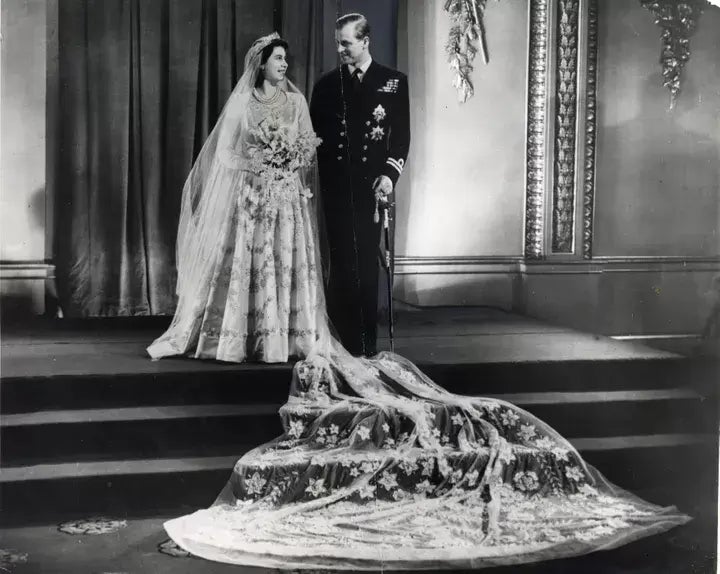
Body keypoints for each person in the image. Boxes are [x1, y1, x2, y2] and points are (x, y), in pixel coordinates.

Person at [161, 32, 690, 571]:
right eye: (280, 58)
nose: (293, 62)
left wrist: (378, 175)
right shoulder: (317, 89)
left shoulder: (370, 85)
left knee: (361, 272)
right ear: (263, 64)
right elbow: (247, 149)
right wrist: (271, 165)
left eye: (345, 44)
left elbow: (390, 138)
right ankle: (288, 333)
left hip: (339, 190)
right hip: (287, 196)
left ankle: (354, 341)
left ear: (363, 41)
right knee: (337, 272)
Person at [147, 35, 324, 364]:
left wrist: (288, 163)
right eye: (278, 59)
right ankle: (242, 339)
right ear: (261, 63)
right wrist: (254, 164)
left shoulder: (296, 103)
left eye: (286, 59)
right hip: (251, 198)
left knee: (282, 264)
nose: (284, 64)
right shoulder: (243, 103)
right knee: (250, 267)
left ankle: (282, 340)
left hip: (286, 197)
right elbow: (225, 154)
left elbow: (306, 149)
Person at [310, 13, 410, 357]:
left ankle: (366, 345)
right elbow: (314, 139)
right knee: (339, 263)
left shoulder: (393, 82)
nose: (340, 49)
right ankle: (339, 344)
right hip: (336, 186)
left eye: (346, 43)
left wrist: (389, 175)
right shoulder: (325, 85)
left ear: (365, 41)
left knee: (366, 263)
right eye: (338, 43)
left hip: (371, 187)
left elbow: (401, 141)